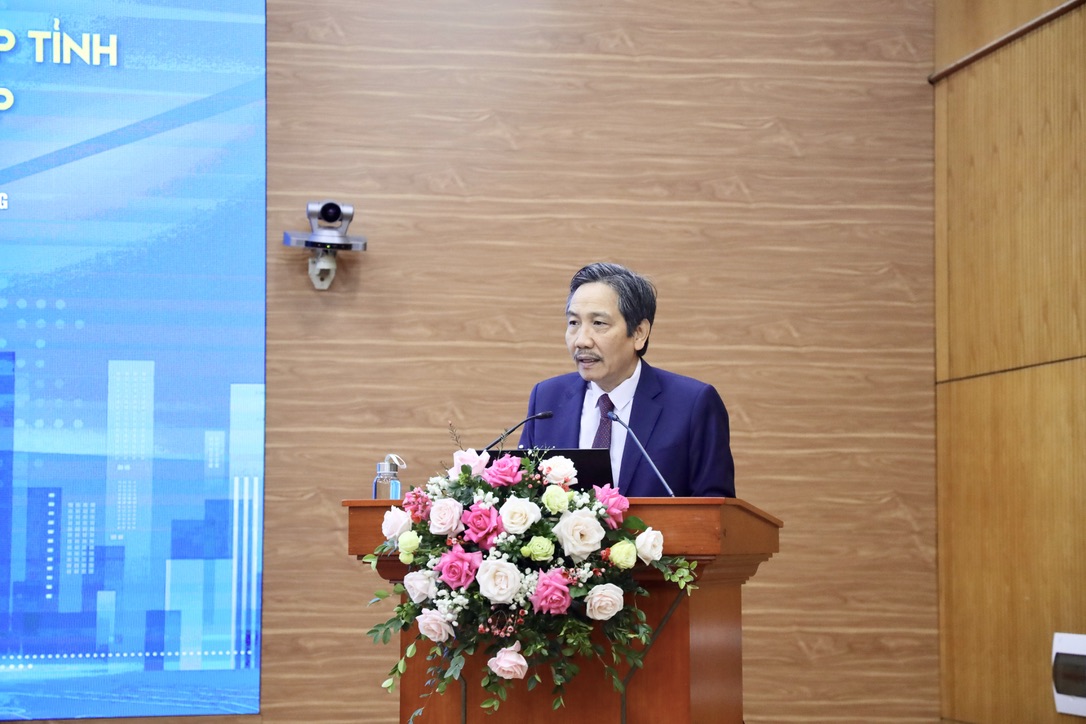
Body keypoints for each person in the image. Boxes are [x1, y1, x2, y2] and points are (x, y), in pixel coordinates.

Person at [518, 262, 735, 497]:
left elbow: (715, 506)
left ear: (639, 333)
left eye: (598, 323)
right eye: (574, 323)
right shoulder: (547, 399)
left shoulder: (692, 405)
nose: (581, 341)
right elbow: (524, 492)